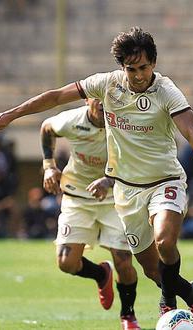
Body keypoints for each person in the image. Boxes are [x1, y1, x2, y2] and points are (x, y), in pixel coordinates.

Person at [0, 26, 193, 330]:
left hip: (164, 181)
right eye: (131, 69)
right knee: (151, 269)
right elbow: (55, 97)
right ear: (122, 67)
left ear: (153, 64)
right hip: (126, 191)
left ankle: (167, 305)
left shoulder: (167, 91)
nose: (138, 75)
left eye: (143, 67)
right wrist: (11, 115)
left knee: (165, 242)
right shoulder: (106, 84)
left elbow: (192, 132)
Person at [40, 98, 149, 329]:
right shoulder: (73, 120)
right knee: (66, 263)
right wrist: (49, 166)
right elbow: (47, 127)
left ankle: (128, 315)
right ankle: (101, 274)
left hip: (114, 198)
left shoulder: (124, 123)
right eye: (97, 98)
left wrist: (109, 181)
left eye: (107, 99)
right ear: (88, 99)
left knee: (123, 260)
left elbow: (136, 160)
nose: (102, 104)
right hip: (77, 197)